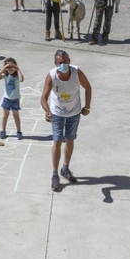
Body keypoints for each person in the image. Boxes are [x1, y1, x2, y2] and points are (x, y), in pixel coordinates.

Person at [40, 49, 92, 192]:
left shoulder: (76, 72)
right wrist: (47, 111)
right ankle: (55, 174)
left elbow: (88, 87)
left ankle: (65, 168)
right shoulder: (51, 76)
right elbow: (43, 97)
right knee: (57, 141)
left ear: (69, 61)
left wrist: (87, 107)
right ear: (56, 64)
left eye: (65, 61)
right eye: (60, 63)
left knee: (70, 139)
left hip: (74, 113)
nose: (63, 65)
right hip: (57, 113)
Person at [0, 57, 25, 140]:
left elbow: (21, 80)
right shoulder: (5, 75)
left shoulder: (16, 76)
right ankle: (3, 131)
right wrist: (4, 68)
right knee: (5, 116)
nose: (10, 69)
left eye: (12, 67)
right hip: (7, 99)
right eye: (8, 67)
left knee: (16, 116)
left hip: (15, 99)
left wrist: (18, 69)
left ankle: (19, 131)